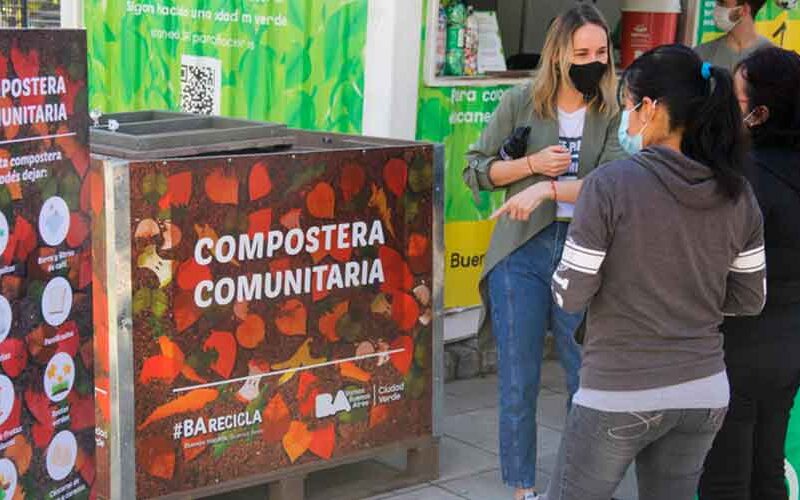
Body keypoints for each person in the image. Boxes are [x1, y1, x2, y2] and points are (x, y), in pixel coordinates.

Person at [525, 44, 764, 500]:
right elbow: (750, 298)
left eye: (628, 105)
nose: (626, 119)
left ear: (650, 108)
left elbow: (571, 293)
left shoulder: (608, 186)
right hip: (704, 391)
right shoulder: (739, 194)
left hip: (618, 390)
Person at [463, 4, 626, 499]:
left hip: (585, 253)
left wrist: (555, 188)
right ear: (559, 56)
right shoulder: (520, 103)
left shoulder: (613, 109)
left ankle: (580, 483)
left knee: (587, 378)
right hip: (522, 252)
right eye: (582, 53)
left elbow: (613, 183)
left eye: (601, 52)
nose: (593, 61)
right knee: (520, 379)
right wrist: (531, 164)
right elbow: (477, 170)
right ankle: (522, 488)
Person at [699, 47, 800, 500]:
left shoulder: (739, 177)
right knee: (766, 467)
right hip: (789, 345)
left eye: (736, 101)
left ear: (760, 113)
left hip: (737, 344)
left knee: (724, 476)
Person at [695, 0, 772, 72]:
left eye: (722, 3)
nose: (716, 8)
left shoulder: (773, 59)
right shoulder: (700, 55)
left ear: (743, 10)